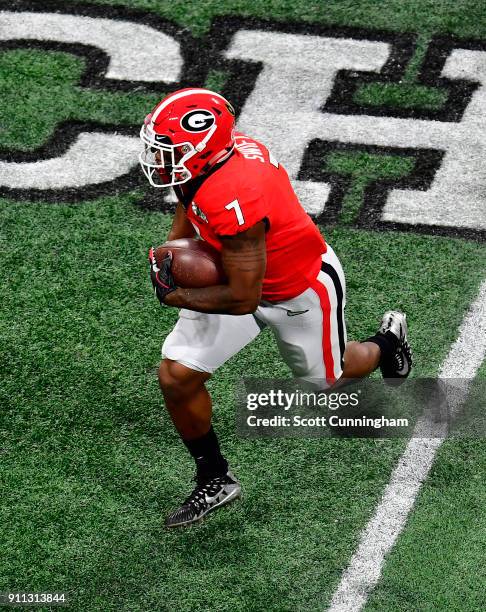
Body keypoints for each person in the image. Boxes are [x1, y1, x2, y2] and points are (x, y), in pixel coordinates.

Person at [139, 88, 413, 528]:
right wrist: (177, 252)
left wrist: (177, 293)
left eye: (170, 149)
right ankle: (214, 476)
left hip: (297, 289)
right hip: (237, 277)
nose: (159, 158)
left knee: (331, 383)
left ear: (203, 147)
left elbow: (244, 298)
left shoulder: (235, 194)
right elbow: (191, 209)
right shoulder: (209, 162)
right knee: (177, 375)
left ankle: (385, 343)